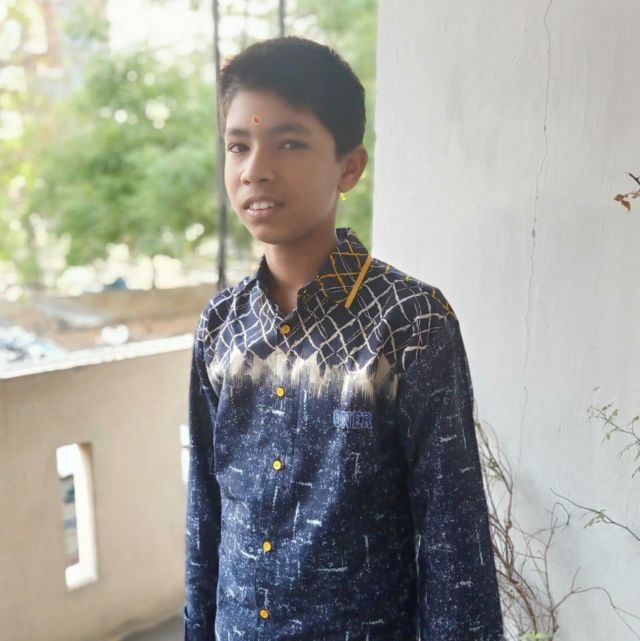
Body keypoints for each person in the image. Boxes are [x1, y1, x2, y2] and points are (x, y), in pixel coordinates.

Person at [184, 36, 504, 641]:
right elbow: (205, 513)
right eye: (238, 145)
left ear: (349, 166)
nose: (255, 169)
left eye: (289, 143)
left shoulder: (410, 322)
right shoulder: (220, 325)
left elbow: (454, 541)